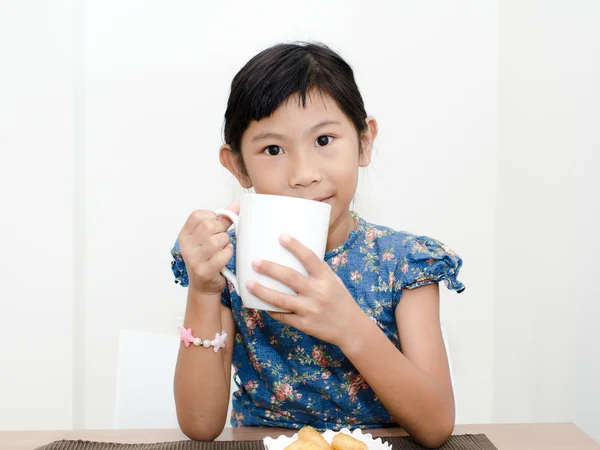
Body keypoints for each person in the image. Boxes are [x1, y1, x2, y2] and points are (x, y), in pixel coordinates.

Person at [170, 42, 465, 449]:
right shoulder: (227, 262)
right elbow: (200, 426)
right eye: (273, 149)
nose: (304, 174)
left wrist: (350, 328)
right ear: (238, 165)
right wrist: (203, 291)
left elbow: (436, 427)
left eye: (324, 140)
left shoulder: (403, 263)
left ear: (364, 142)